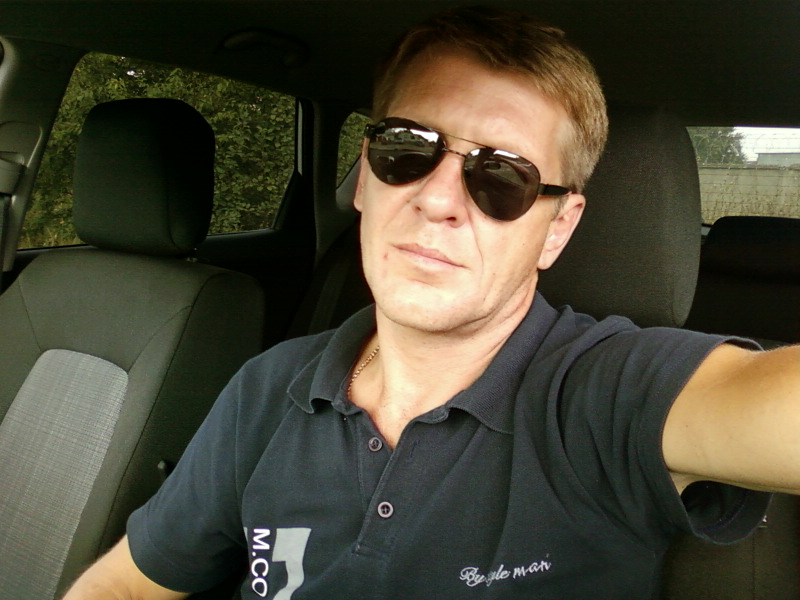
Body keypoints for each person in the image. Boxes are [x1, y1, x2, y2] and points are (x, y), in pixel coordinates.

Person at [65, 6, 799, 599]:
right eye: (408, 147)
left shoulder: (606, 393)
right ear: (365, 176)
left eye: (502, 176)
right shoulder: (267, 389)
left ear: (557, 228)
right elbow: (129, 583)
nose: (439, 198)